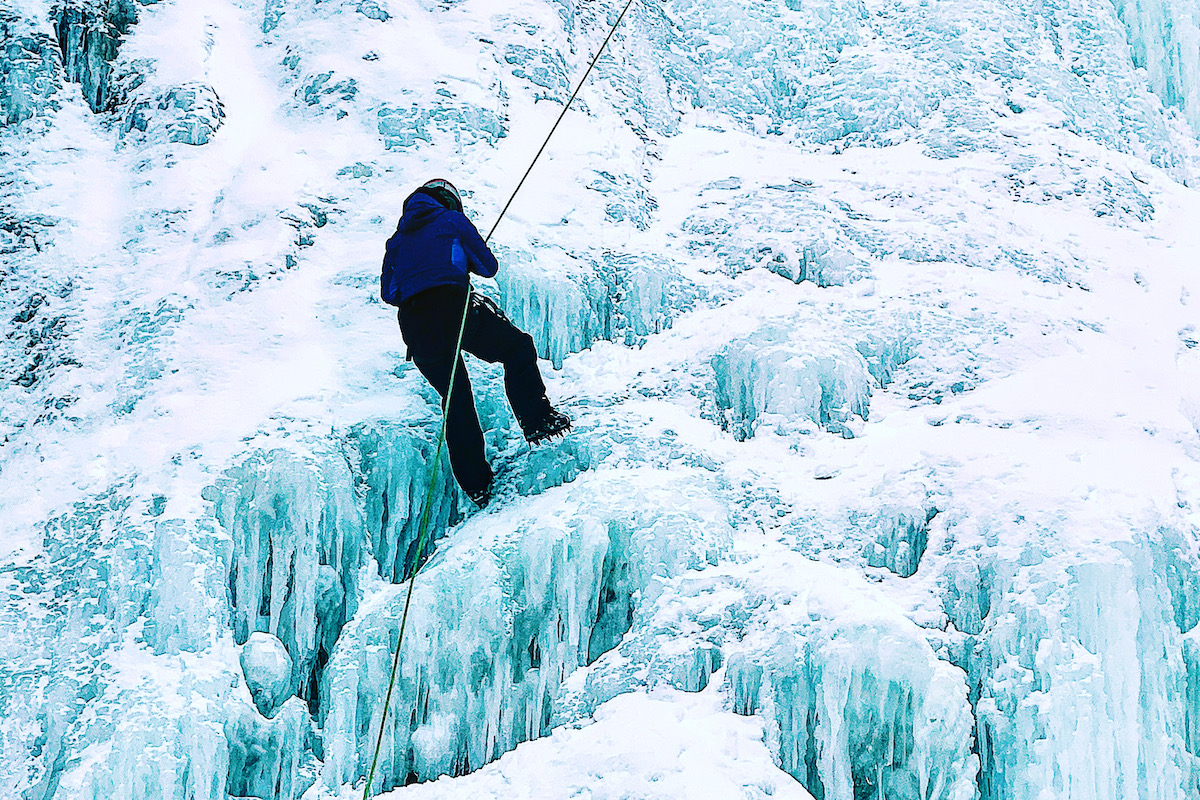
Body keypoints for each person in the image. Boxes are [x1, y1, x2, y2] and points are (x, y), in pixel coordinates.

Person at [380, 178, 571, 507]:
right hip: (452, 305)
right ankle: (537, 421)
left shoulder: (396, 242)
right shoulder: (451, 220)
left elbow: (390, 293)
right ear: (449, 202)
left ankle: (477, 484)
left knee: (455, 398)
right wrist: (456, 266)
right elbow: (488, 266)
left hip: (414, 325)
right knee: (516, 348)